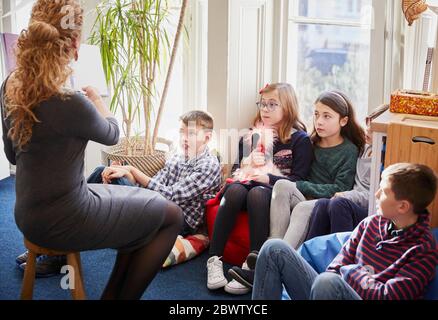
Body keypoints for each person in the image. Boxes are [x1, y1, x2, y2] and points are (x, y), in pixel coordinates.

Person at [1, 0, 182, 300]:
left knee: (138, 210)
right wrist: (99, 102)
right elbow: (112, 135)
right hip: (66, 218)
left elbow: (11, 155)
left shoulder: (11, 84)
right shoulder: (70, 102)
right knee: (171, 215)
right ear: (73, 43)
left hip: (27, 214)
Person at [228, 90, 365, 290]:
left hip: (322, 203)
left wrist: (301, 186)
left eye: (327, 116)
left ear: (343, 121)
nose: (319, 121)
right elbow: (295, 177)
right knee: (283, 184)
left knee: (300, 207)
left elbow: (340, 189)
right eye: (316, 114)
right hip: (301, 196)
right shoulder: (311, 142)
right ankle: (270, 246)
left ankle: (268, 261)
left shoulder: (349, 150)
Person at [252, 163, 438, 300]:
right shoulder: (370, 224)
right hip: (332, 294)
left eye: (384, 191)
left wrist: (352, 271)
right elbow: (334, 267)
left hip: (343, 293)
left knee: (327, 283)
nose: (376, 194)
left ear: (403, 206)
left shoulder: (423, 250)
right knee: (273, 248)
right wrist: (359, 274)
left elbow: (387, 297)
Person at [206, 83, 313, 294]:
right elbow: (235, 172)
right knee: (235, 190)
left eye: (272, 104)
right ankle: (214, 259)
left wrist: (267, 177)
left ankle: (253, 264)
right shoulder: (251, 135)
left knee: (257, 193)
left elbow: (298, 180)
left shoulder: (300, 140)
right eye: (263, 104)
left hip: (270, 195)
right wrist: (248, 162)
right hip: (242, 189)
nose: (265, 109)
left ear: (288, 107)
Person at [87, 110, 221, 236]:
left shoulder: (208, 165)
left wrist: (132, 169)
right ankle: (77, 217)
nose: (184, 138)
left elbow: (172, 195)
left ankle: (83, 219)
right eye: (182, 132)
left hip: (181, 221)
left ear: (207, 138)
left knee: (116, 181)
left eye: (191, 134)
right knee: (102, 171)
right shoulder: (177, 158)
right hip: (159, 204)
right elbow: (154, 187)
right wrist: (128, 176)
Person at [305, 104, 389, 240]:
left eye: (374, 129)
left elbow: (375, 197)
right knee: (322, 204)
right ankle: (308, 254)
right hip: (351, 201)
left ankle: (341, 256)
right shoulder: (363, 148)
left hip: (368, 208)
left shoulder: (384, 158)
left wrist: (347, 195)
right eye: (368, 122)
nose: (368, 129)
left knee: (338, 204)